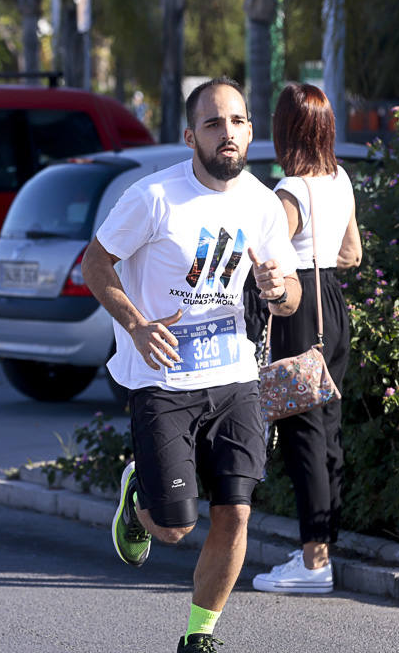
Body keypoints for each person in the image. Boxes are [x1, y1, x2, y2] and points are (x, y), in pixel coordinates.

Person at [81, 77, 302, 653]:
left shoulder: (262, 202)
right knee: (174, 527)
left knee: (235, 511)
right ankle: (139, 499)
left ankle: (199, 635)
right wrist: (135, 324)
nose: (226, 134)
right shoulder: (153, 197)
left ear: (250, 131)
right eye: (212, 123)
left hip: (236, 378)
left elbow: (292, 294)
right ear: (190, 136)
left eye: (236, 122)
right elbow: (96, 263)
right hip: (163, 377)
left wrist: (279, 290)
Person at [249, 83, 362, 595]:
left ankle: (314, 564)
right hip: (334, 304)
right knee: (327, 427)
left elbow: (268, 259)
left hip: (299, 308)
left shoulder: (289, 190)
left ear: (285, 130)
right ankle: (321, 549)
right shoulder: (340, 179)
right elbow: (352, 254)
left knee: (303, 434)